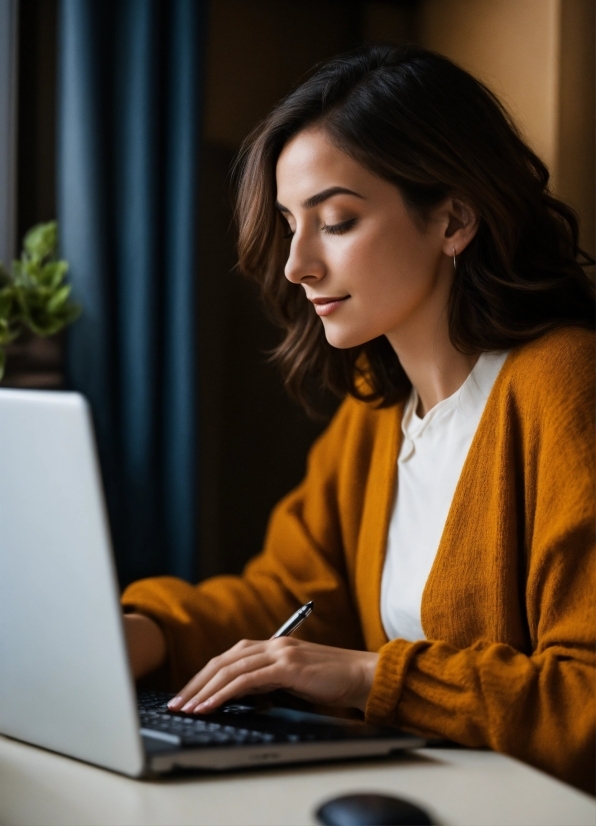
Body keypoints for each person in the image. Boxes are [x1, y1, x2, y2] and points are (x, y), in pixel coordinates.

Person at [122, 44, 595, 793]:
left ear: (454, 218)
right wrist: (143, 636)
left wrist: (368, 678)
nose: (295, 263)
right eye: (288, 223)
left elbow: (585, 695)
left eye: (336, 222)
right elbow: (294, 598)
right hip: (419, 796)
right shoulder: (377, 409)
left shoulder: (563, 386)